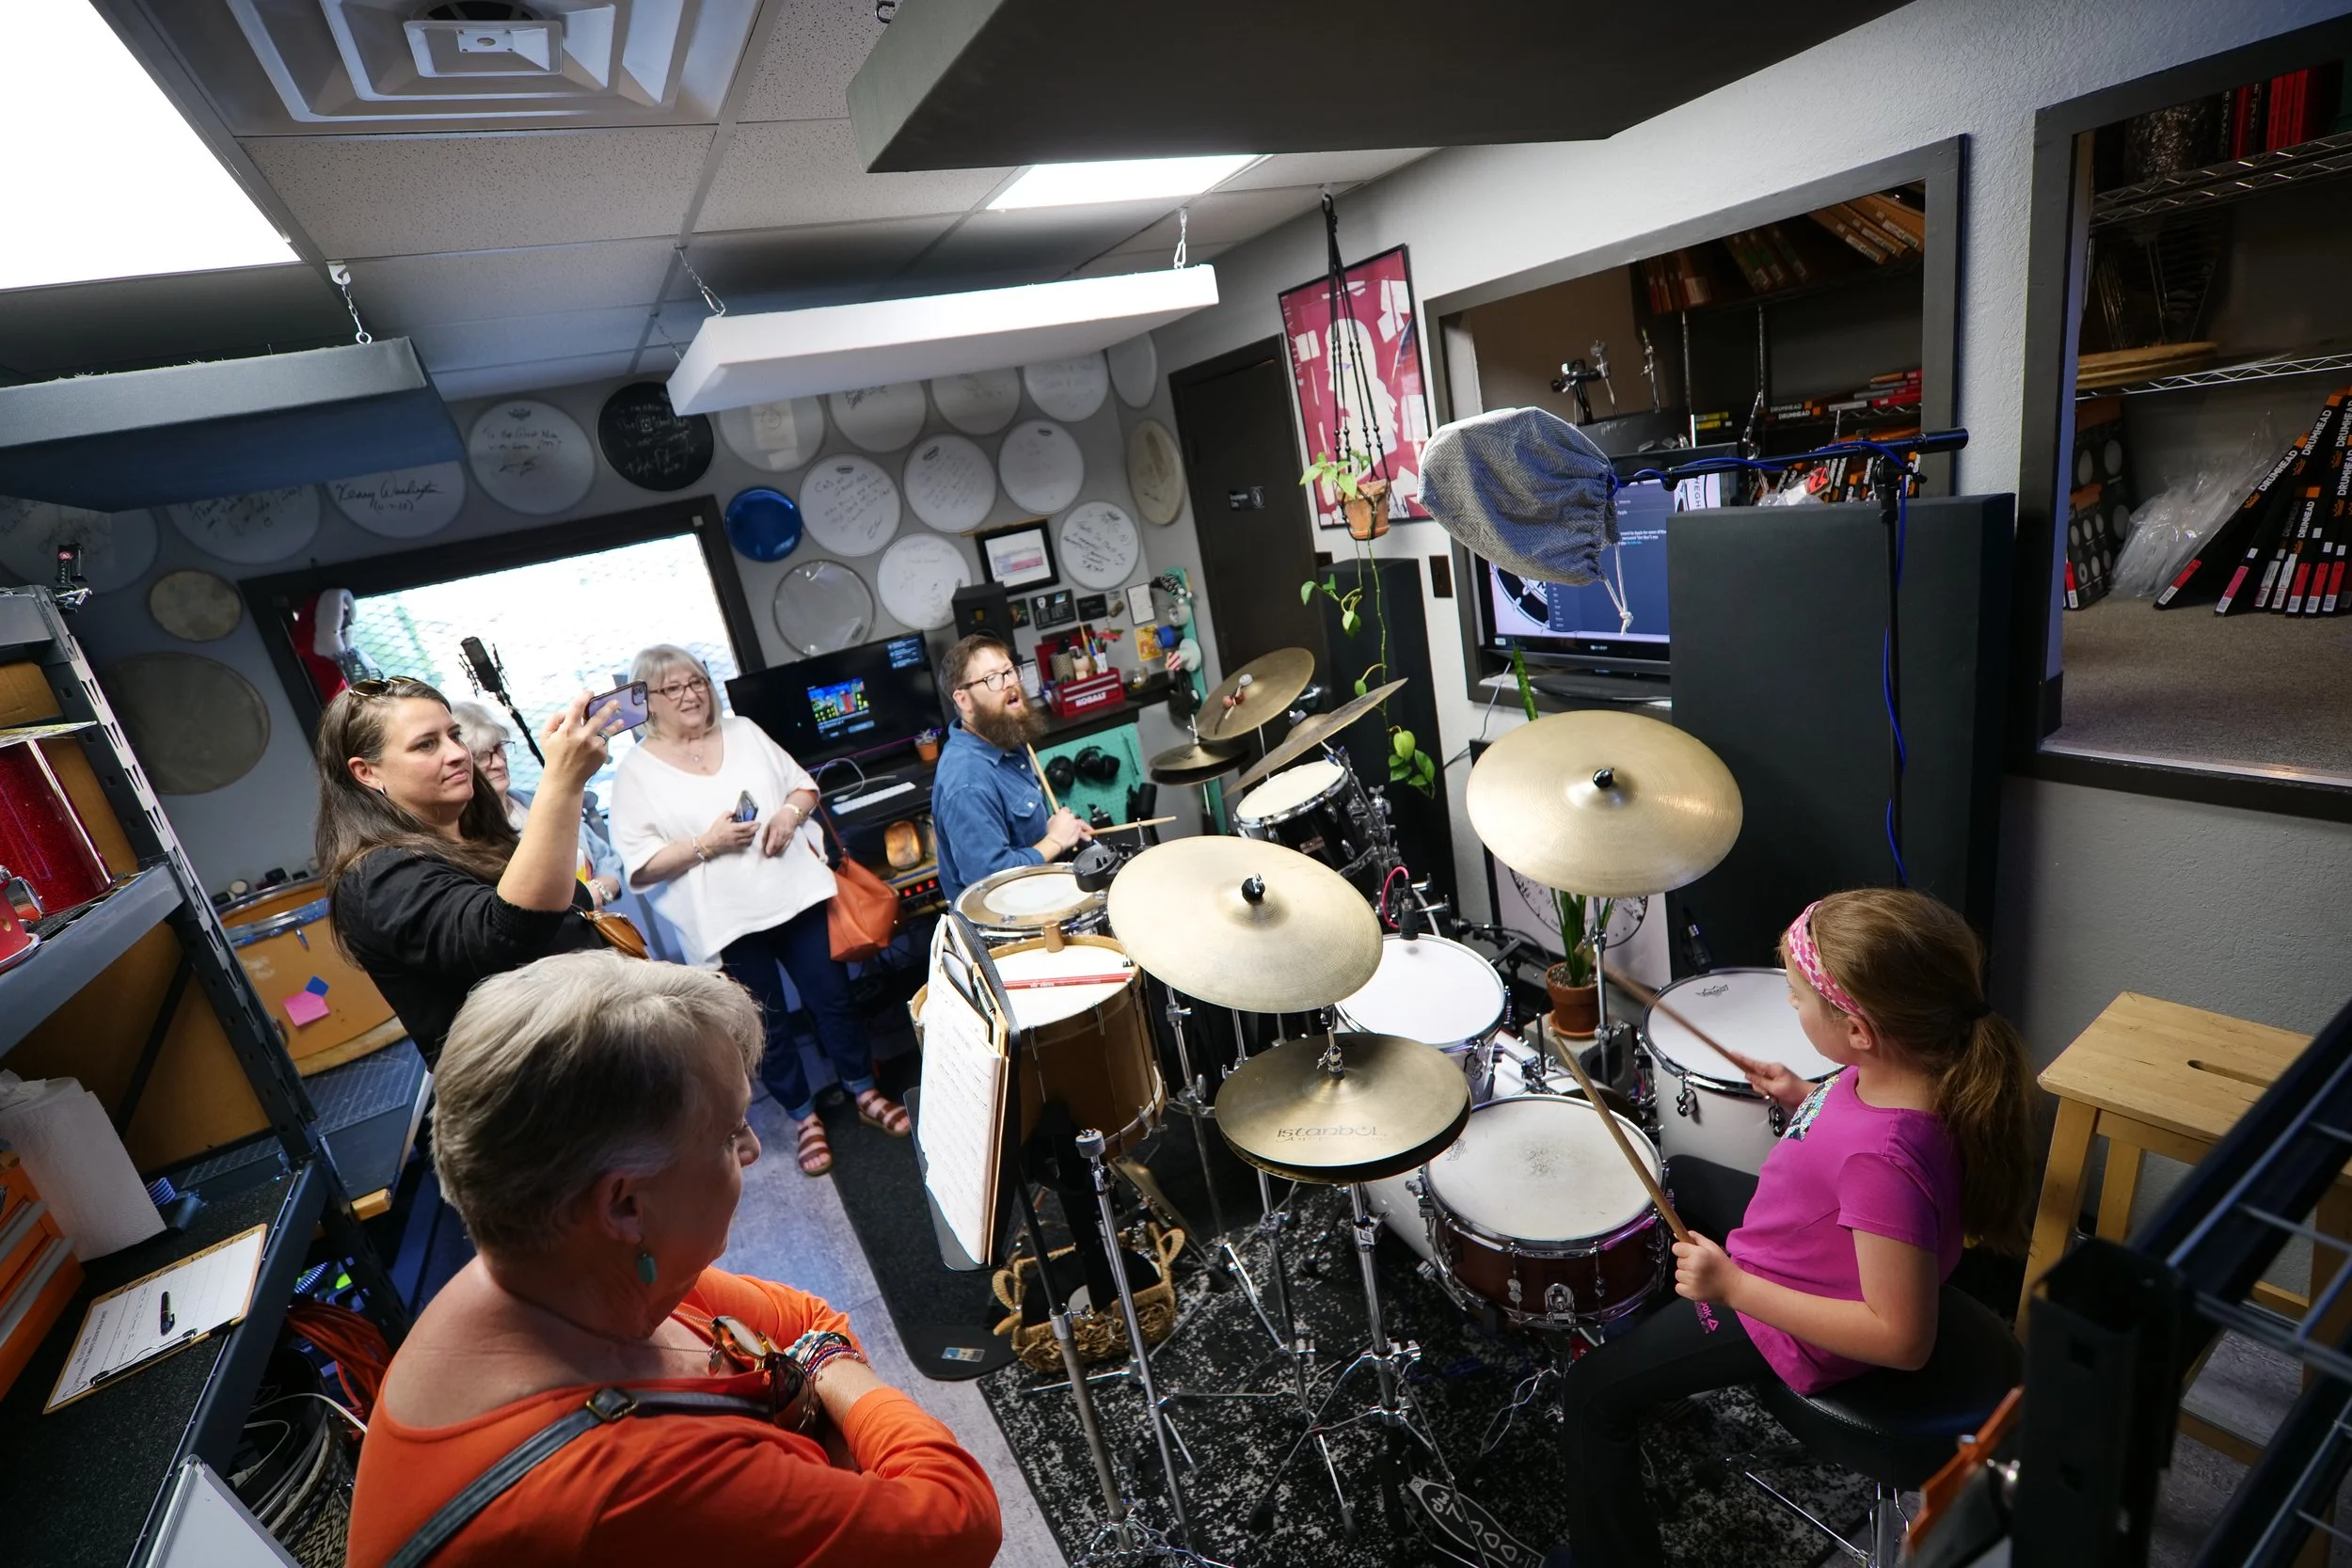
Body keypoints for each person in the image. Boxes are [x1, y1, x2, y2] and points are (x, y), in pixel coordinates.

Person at [344, 952, 1003, 1568]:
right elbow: (960, 1516)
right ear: (625, 1204)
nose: (749, 1150)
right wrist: (826, 1374)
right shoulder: (624, 1481)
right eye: (726, 1135)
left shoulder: (553, 1272)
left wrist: (818, 1365)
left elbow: (807, 1313)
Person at [1549, 887, 2034, 1567]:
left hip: (1789, 1313)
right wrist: (1802, 1095)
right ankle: (1665, 1379)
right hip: (1800, 1240)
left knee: (1591, 1392)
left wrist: (1734, 1285)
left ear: (1860, 1029)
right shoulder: (1923, 1066)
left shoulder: (1884, 1158)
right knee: (1678, 1172)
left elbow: (1901, 1339)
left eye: (1800, 996)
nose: (1790, 1004)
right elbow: (1858, 1138)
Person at [607, 645, 906, 1180]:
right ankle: (803, 1115)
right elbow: (642, 867)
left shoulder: (743, 730)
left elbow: (803, 786)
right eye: (672, 688)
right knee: (763, 1026)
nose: (690, 694)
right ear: (648, 702)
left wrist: (790, 816)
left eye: (696, 681)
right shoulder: (636, 772)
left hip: (794, 895)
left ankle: (863, 1090)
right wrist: (706, 844)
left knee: (834, 1000)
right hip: (728, 922)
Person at [318, 675, 624, 1069]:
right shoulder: (376, 876)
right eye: (426, 744)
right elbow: (504, 935)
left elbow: (563, 902)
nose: (458, 754)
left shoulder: (481, 835)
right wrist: (562, 780)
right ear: (367, 773)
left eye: (454, 735)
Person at [930, 634, 1090, 905]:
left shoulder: (1003, 740)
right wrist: (1055, 841)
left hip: (1038, 895)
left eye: (1010, 672)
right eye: (993, 678)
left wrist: (1055, 829)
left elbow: (1019, 837)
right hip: (1010, 926)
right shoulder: (966, 782)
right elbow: (989, 882)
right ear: (963, 700)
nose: (1010, 684)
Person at [452, 700, 625, 908]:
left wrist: (596, 893)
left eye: (498, 749)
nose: (497, 763)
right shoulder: (464, 837)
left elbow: (606, 859)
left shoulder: (536, 800)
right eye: (481, 756)